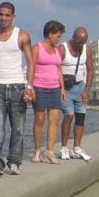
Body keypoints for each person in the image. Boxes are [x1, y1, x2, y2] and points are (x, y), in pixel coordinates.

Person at [0, 2, 35, 177]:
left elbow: (31, 63)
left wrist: (29, 86)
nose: (3, 18)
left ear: (13, 16)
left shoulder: (22, 36)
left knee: (17, 128)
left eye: (7, 15)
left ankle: (14, 161)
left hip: (17, 87)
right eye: (0, 15)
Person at [28, 20, 66, 164]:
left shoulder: (57, 51)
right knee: (39, 120)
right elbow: (31, 67)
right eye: (58, 35)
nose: (59, 38)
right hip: (39, 87)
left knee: (55, 119)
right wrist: (30, 87)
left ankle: (49, 151)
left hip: (54, 88)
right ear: (50, 34)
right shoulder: (37, 48)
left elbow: (59, 69)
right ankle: (37, 151)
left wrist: (62, 88)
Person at [58, 26, 94, 161]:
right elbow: (55, 68)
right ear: (73, 38)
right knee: (69, 116)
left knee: (80, 117)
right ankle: (63, 147)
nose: (81, 45)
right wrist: (60, 87)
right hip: (66, 88)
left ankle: (77, 147)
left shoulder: (87, 50)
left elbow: (90, 70)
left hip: (80, 87)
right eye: (78, 42)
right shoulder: (63, 49)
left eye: (83, 42)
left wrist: (86, 90)